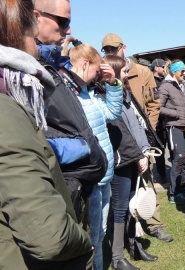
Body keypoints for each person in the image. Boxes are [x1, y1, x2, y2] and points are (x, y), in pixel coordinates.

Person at [0, 0, 93, 268]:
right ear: (18, 32)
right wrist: (83, 240)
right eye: (32, 37)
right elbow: (50, 236)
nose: (36, 47)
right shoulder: (7, 106)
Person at [34, 0, 109, 227]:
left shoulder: (51, 68)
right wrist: (85, 148)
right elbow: (28, 144)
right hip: (56, 196)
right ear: (36, 17)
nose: (69, 30)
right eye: (63, 21)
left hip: (78, 188)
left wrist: (113, 84)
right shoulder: (23, 74)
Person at [101, 33, 170, 243]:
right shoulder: (104, 71)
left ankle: (154, 223)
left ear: (124, 47)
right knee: (122, 190)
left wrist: (146, 132)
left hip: (140, 139)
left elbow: (153, 104)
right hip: (118, 141)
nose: (112, 53)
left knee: (146, 182)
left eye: (115, 49)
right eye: (107, 50)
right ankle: (128, 232)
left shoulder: (142, 72)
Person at [68, 43, 123, 270]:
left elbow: (113, 112)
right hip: (89, 180)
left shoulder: (89, 95)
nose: (98, 75)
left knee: (99, 234)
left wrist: (113, 85)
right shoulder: (71, 98)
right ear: (84, 64)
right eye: (97, 70)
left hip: (104, 175)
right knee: (91, 237)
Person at [158, 60, 185, 204]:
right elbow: (158, 107)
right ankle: (174, 193)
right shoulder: (165, 86)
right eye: (182, 71)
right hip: (175, 126)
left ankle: (183, 187)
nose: (184, 74)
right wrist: (176, 113)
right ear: (174, 72)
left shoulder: (181, 84)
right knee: (178, 159)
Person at [150, 58, 168, 181]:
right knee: (160, 148)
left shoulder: (166, 81)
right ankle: (162, 175)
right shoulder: (150, 82)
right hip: (157, 121)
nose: (164, 69)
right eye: (162, 67)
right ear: (156, 67)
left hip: (167, 119)